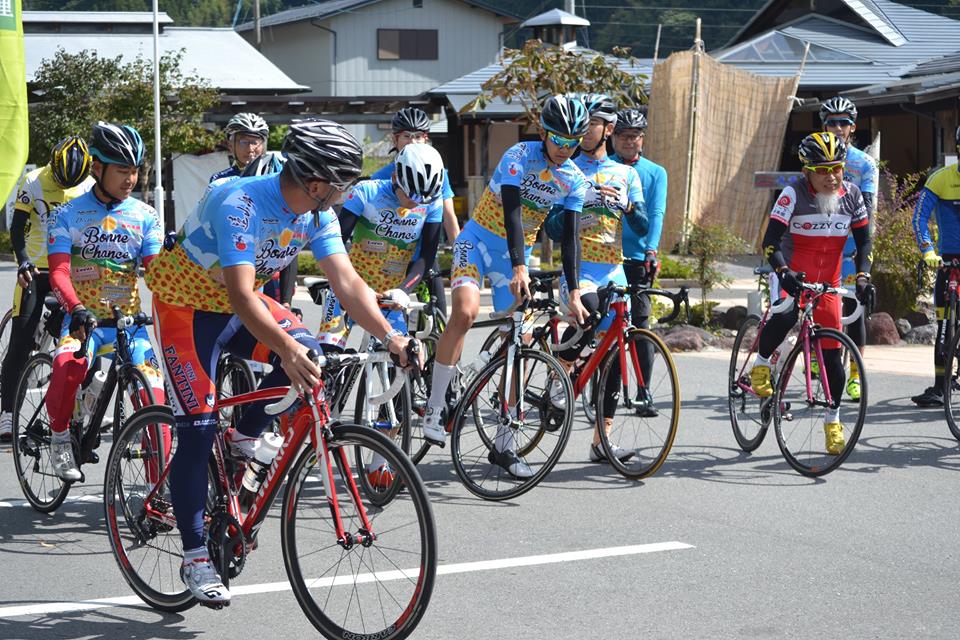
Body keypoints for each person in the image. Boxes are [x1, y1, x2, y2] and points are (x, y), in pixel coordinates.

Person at [145, 118, 418, 607]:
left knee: (315, 357)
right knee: (198, 426)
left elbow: (348, 284)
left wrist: (393, 337)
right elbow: (243, 295)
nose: (346, 193)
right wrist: (286, 349)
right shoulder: (240, 203)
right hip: (187, 308)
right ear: (315, 184)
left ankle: (245, 434)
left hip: (234, 307)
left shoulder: (318, 213)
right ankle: (194, 555)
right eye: (341, 184)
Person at [420, 94, 590, 479]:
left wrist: (575, 292)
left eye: (573, 142)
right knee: (464, 313)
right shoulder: (519, 155)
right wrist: (519, 265)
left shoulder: (574, 180)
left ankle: (504, 444)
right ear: (544, 134)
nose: (564, 150)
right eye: (558, 140)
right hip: (476, 243)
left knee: (522, 344)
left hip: (514, 258)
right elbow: (512, 212)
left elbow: (572, 240)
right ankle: (434, 405)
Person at [318, 143, 445, 488]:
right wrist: (349, 285)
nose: (413, 204)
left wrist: (405, 288)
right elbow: (337, 241)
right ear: (396, 177)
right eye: (408, 195)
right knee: (327, 360)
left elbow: (426, 257)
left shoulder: (428, 203)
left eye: (421, 199)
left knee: (399, 367)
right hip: (349, 289)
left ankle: (378, 461)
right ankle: (310, 420)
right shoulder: (366, 193)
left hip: (391, 296)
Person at [44, 122, 166, 479]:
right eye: (122, 171)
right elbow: (59, 273)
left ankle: (158, 488)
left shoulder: (146, 216)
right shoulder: (67, 214)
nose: (130, 179)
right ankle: (59, 437)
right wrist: (76, 308)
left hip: (128, 324)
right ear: (97, 168)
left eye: (134, 171)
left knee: (155, 397)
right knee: (68, 365)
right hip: (84, 320)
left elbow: (156, 274)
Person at [749, 132, 872, 455]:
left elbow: (865, 243)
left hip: (828, 282)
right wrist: (783, 272)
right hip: (790, 272)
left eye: (837, 168)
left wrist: (863, 276)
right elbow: (770, 243)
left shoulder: (853, 196)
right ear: (807, 172)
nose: (832, 177)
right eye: (823, 170)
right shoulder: (792, 195)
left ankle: (833, 422)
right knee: (787, 312)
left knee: (833, 355)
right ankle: (760, 364)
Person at [543, 93, 649, 462]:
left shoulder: (627, 173)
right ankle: (561, 376)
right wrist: (583, 197)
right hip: (580, 271)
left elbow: (643, 225)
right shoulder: (565, 169)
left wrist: (628, 205)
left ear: (608, 129)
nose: (585, 132)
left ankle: (601, 441)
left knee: (615, 355)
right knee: (588, 312)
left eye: (592, 125)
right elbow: (553, 229)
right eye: (582, 125)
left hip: (614, 268)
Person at [0, 136, 94, 442]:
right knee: (21, 341)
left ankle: (80, 405)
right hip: (37, 271)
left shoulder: (89, 186)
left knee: (86, 340)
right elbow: (16, 229)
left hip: (70, 272)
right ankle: (7, 414)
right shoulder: (34, 181)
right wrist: (24, 262)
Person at [371, 107, 460, 313]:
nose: (413, 142)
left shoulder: (436, 172)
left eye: (418, 136)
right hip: (390, 260)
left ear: (425, 138)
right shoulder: (379, 178)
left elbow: (449, 216)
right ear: (395, 140)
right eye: (406, 136)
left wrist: (459, 256)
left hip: (424, 256)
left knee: (439, 316)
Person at [820, 96, 878, 401]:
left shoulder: (864, 163)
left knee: (856, 310)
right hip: (823, 242)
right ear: (824, 125)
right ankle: (820, 357)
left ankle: (856, 372)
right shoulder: (814, 153)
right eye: (832, 122)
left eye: (844, 122)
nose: (838, 127)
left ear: (853, 127)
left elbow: (867, 207)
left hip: (854, 241)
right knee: (819, 302)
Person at [610, 108, 668, 408]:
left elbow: (656, 213)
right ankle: (599, 388)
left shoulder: (655, 172)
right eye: (622, 135)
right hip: (604, 256)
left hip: (636, 257)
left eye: (634, 136)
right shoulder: (603, 167)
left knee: (641, 323)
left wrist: (651, 249)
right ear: (612, 137)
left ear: (642, 139)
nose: (629, 141)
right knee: (601, 324)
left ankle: (644, 390)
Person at [911, 125, 960, 407]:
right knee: (943, 324)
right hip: (948, 260)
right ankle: (940, 387)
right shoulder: (940, 179)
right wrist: (929, 250)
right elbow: (919, 219)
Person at [209, 112, 269, 182]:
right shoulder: (220, 179)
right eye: (243, 142)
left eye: (255, 143)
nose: (250, 149)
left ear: (263, 146)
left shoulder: (275, 176)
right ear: (230, 146)